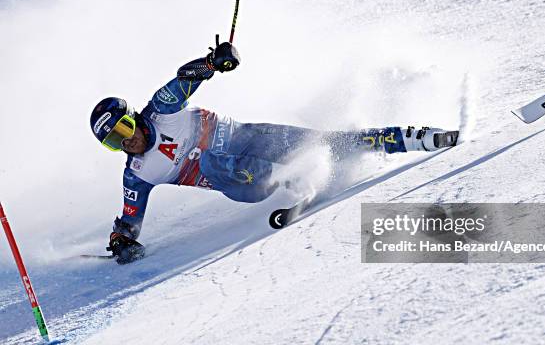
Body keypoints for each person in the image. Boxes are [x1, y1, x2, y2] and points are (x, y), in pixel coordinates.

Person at [90, 37, 459, 264]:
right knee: (205, 160)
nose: (127, 141)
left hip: (251, 138)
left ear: (133, 116)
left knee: (329, 143)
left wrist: (214, 61)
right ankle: (298, 177)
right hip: (241, 182)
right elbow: (129, 219)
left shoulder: (161, 107)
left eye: (124, 128)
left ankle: (413, 138)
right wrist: (121, 240)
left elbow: (187, 78)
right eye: (114, 142)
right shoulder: (137, 173)